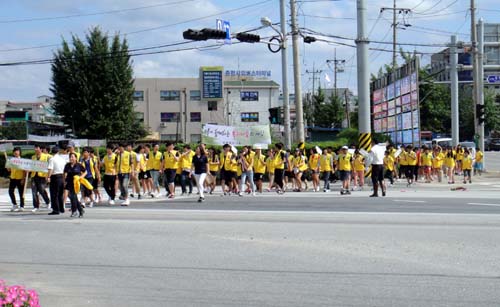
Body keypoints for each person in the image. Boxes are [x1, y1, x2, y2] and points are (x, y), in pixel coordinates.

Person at [64, 152, 86, 218]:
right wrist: (64, 181)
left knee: (73, 196)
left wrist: (81, 177)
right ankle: (81, 210)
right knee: (73, 197)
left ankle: (74, 211)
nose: (71, 158)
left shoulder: (79, 165)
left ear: (76, 158)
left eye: (73, 157)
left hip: (76, 183)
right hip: (69, 182)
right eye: (70, 157)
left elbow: (85, 171)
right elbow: (64, 173)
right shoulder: (67, 165)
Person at [30, 144, 51, 213]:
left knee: (42, 190)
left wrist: (48, 176)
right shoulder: (33, 157)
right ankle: (36, 206)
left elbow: (49, 167)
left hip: (42, 176)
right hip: (34, 176)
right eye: (35, 148)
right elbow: (30, 166)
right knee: (34, 192)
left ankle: (47, 202)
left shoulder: (46, 157)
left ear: (41, 149)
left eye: (37, 148)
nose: (35, 149)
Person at [47, 146, 67, 215]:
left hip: (54, 177)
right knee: (60, 194)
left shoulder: (52, 159)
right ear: (58, 152)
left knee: (54, 194)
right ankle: (61, 208)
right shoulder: (62, 159)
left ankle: (56, 209)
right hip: (61, 176)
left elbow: (50, 169)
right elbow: (65, 170)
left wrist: (48, 177)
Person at [7, 147, 26, 212]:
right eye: (15, 151)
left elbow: (24, 171)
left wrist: (23, 179)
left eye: (17, 151)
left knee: (21, 193)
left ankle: (22, 206)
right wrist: (8, 165)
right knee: (10, 191)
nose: (16, 152)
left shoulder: (22, 160)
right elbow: (9, 170)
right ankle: (14, 204)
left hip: (20, 178)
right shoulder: (11, 160)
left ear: (20, 152)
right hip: (13, 178)